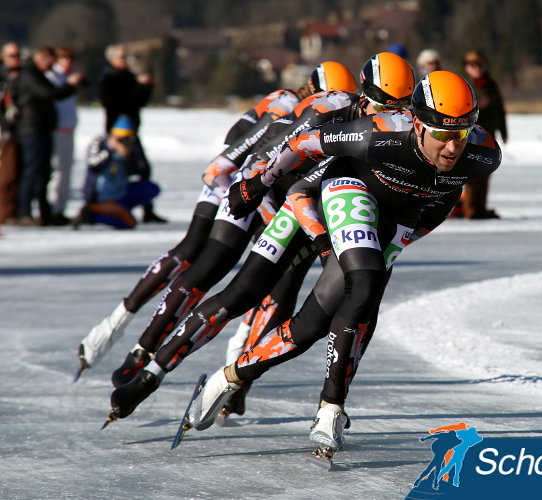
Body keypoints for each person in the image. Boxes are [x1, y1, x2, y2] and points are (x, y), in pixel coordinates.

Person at [178, 71, 501, 463]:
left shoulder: (484, 154)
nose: (453, 147)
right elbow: (302, 143)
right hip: (349, 187)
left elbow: (443, 204)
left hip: (400, 218)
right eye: (442, 134)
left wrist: (403, 240)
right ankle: (331, 408)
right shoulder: (377, 133)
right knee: (364, 282)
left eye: (462, 133)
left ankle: (228, 378)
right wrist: (259, 183)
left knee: (312, 326)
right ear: (416, 123)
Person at [103, 53, 417, 426]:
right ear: (362, 97)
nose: (393, 118)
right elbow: (268, 161)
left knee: (319, 304)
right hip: (284, 200)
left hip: (336, 211)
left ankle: (242, 387)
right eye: (384, 106)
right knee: (242, 293)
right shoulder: (326, 110)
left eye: (402, 108)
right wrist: (258, 192)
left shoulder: (407, 129)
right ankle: (150, 374)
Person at [75, 62, 352, 379]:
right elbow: (227, 159)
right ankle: (130, 335)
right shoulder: (289, 106)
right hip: (236, 182)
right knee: (201, 254)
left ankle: (237, 364)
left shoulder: (324, 114)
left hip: (268, 191)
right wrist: (253, 199)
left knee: (275, 278)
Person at [13, 46, 83, 226]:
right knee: (32, 170)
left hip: (41, 127)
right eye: (49, 61)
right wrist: (71, 85)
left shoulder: (36, 74)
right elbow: (50, 94)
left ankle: (45, 213)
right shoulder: (30, 75)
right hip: (31, 128)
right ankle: (24, 213)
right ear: (41, 58)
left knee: (44, 172)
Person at [99, 43, 165, 223]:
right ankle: (106, 206)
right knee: (114, 171)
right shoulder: (109, 78)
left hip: (132, 132)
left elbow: (138, 103)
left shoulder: (129, 77)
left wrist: (146, 87)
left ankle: (147, 209)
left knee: (142, 169)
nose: (125, 59)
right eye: (121, 56)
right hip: (117, 135)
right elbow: (119, 104)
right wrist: (138, 87)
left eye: (126, 56)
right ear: (111, 58)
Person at [75, 115, 160, 229]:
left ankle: (121, 209)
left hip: (121, 192)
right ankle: (91, 214)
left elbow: (143, 172)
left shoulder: (133, 146)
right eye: (121, 139)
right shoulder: (100, 142)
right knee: (129, 222)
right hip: (101, 197)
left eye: (128, 139)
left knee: (151, 188)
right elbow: (93, 165)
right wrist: (109, 150)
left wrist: (129, 157)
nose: (124, 142)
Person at [461, 49, 506, 219]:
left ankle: (481, 208)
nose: (477, 68)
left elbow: (500, 110)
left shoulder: (491, 85)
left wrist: (504, 131)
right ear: (466, 67)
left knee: (487, 170)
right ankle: (470, 208)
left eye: (480, 64)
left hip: (489, 135)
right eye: (473, 65)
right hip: (470, 135)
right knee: (472, 172)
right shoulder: (464, 84)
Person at [45, 47, 79, 225]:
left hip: (68, 129)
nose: (68, 61)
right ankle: (52, 209)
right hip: (55, 129)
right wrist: (70, 85)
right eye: (64, 57)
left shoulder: (70, 76)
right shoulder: (52, 77)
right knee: (56, 170)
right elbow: (53, 97)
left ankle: (60, 209)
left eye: (71, 57)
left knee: (66, 171)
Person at [0, 42, 21, 225]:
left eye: (19, 55)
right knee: (6, 173)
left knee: (15, 172)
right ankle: (5, 213)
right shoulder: (3, 77)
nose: (17, 59)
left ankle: (12, 211)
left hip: (17, 129)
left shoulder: (18, 75)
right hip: (4, 131)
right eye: (12, 56)